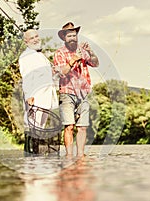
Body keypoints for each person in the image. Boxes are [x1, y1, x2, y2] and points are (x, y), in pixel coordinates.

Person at [53, 22, 99, 157]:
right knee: (69, 126)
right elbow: (62, 72)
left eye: (74, 35)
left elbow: (95, 63)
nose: (73, 38)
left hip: (83, 93)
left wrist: (90, 52)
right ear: (64, 38)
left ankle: (80, 155)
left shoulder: (83, 51)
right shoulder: (59, 53)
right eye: (69, 36)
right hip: (67, 92)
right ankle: (68, 155)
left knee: (83, 126)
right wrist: (73, 60)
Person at [19, 29, 58, 153]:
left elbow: (46, 74)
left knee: (39, 128)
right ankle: (30, 158)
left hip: (46, 96)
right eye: (32, 38)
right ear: (26, 42)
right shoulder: (26, 56)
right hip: (35, 96)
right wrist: (29, 96)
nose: (35, 39)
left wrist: (54, 71)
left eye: (36, 36)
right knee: (32, 127)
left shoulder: (40, 55)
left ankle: (35, 159)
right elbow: (27, 76)